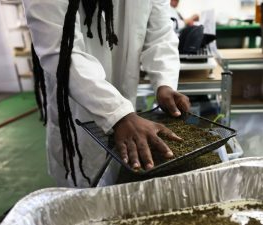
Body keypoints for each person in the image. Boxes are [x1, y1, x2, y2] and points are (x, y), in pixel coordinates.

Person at [24, 0, 191, 187]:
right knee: (83, 189)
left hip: (125, 105)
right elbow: (60, 50)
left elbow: (160, 34)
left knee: (122, 181)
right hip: (76, 105)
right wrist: (117, 113)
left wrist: (164, 82)